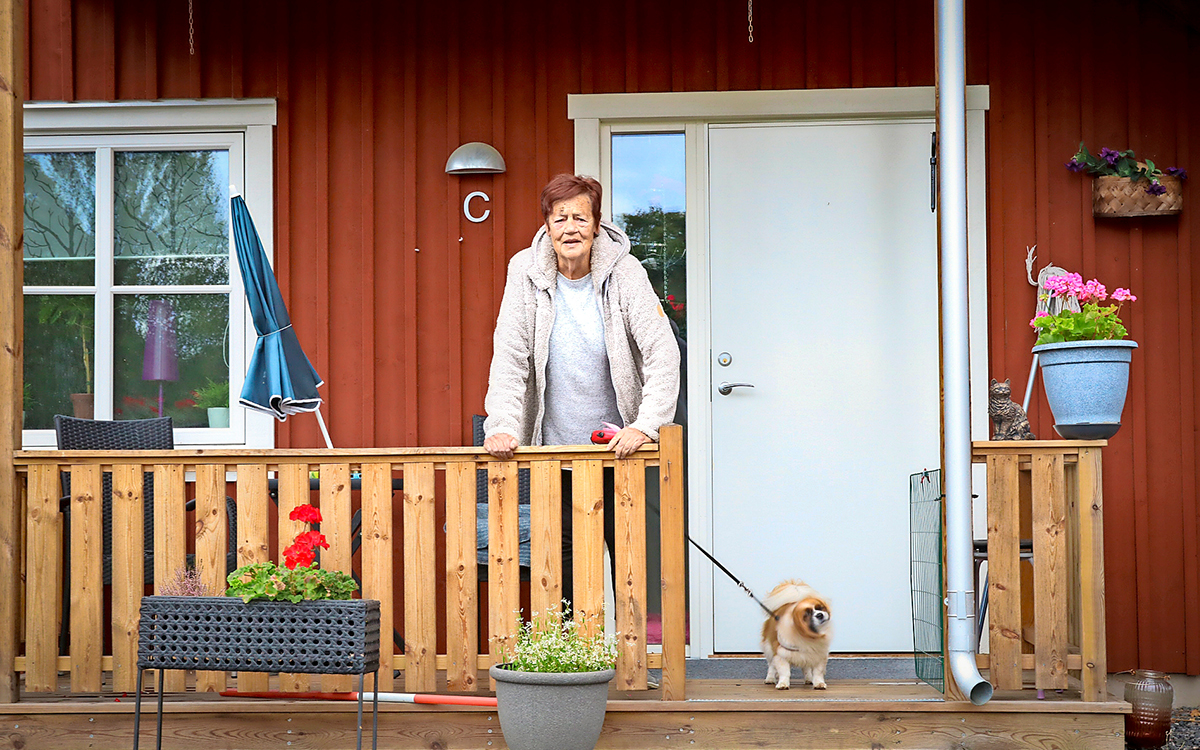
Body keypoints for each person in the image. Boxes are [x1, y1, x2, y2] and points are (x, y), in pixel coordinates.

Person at [483, 173, 680, 604]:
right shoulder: (525, 271)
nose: (570, 228)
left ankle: (630, 666)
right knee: (564, 557)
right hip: (556, 450)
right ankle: (574, 662)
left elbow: (662, 354)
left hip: (619, 447)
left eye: (580, 217)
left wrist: (645, 426)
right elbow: (510, 356)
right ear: (547, 225)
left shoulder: (624, 272)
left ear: (596, 224)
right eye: (560, 218)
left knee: (627, 555)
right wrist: (501, 424)